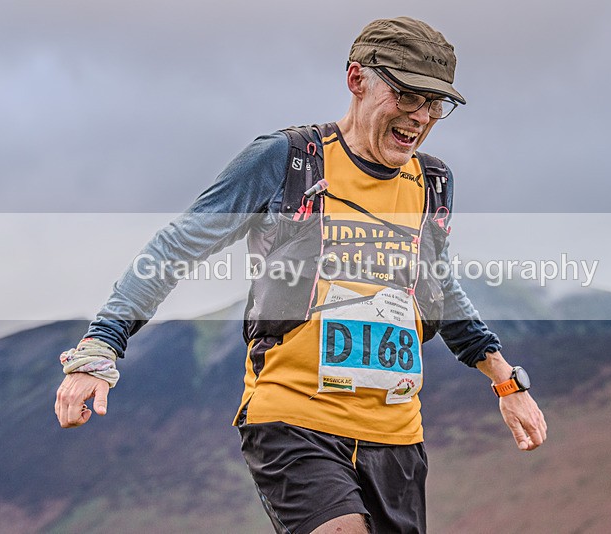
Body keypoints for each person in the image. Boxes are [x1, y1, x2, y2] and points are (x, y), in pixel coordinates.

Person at [54, 16, 547, 534]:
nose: (420, 116)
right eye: (406, 95)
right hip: (294, 422)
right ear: (356, 79)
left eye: (434, 102)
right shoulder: (289, 161)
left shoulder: (432, 182)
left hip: (397, 437)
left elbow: (439, 287)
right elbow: (175, 248)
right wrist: (100, 346)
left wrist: (505, 381)